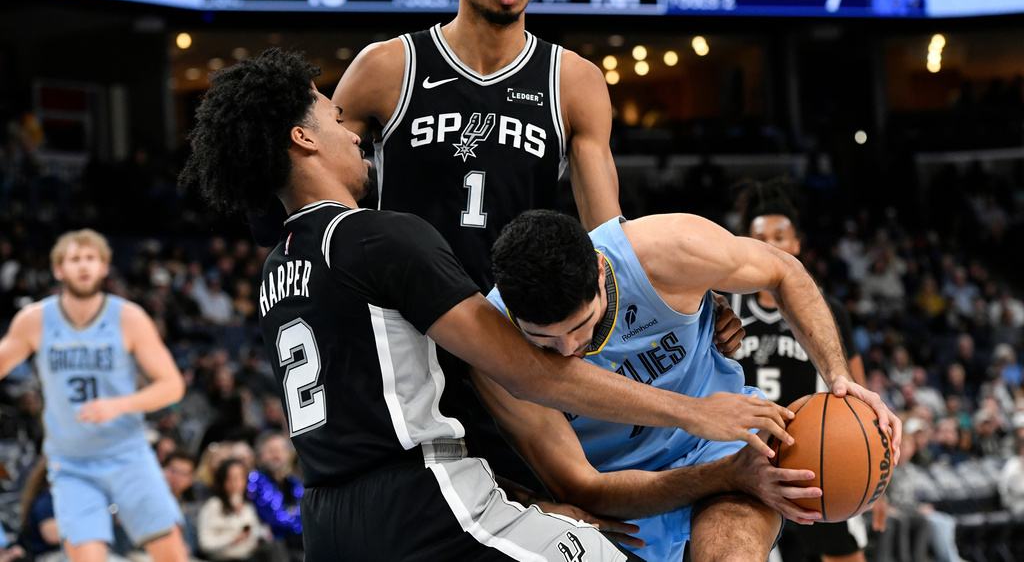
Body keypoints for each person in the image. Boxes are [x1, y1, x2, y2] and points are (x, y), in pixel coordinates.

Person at [178, 48, 798, 561]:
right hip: (424, 503)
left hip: (328, 525)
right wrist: (694, 414)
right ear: (302, 136)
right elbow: (530, 372)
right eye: (331, 118)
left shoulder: (273, 273)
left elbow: (377, 412)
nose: (349, 131)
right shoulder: (382, 234)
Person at [327, 0, 622, 492]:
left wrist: (692, 312)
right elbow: (318, 196)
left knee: (546, 512)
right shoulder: (388, 67)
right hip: (408, 333)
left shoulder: (573, 81)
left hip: (518, 336)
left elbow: (610, 242)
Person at [481, 209, 903, 561]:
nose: (570, 348)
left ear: (596, 268)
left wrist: (839, 378)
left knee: (731, 553)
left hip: (721, 442)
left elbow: (784, 271)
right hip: (620, 491)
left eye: (581, 325)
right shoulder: (494, 348)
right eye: (545, 342)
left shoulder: (666, 250)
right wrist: (725, 471)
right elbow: (583, 488)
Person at [0, 229, 188, 562]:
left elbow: (172, 385)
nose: (83, 266)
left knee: (172, 555)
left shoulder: (129, 318)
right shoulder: (35, 321)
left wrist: (121, 404)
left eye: (91, 259)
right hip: (71, 463)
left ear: (104, 267)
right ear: (58, 270)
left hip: (128, 456)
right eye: (74, 259)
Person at [729, 180, 876, 562]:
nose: (772, 244)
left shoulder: (826, 312)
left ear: (797, 245)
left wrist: (876, 482)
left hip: (816, 458)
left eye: (782, 236)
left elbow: (859, 395)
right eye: (761, 237)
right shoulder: (724, 305)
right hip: (743, 459)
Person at [196, 459, 269, 562]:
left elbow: (254, 535)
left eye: (240, 478)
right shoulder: (213, 506)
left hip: (249, 556)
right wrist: (232, 539)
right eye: (230, 479)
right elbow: (205, 544)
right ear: (222, 481)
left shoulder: (247, 506)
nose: (236, 483)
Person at [248, 433, 302, 561]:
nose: (276, 455)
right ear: (260, 456)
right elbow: (275, 518)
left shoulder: (293, 481)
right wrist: (298, 519)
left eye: (280, 450)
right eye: (271, 451)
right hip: (273, 546)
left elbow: (307, 511)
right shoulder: (256, 480)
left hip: (297, 541)